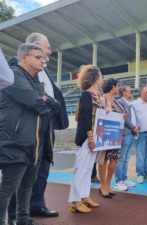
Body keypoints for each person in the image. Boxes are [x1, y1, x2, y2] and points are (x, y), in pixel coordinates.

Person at [8, 33, 68, 222]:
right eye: (46, 47)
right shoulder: (17, 66)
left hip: (46, 122)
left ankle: (36, 204)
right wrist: (46, 102)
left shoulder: (43, 69)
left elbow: (50, 98)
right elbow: (33, 98)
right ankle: (14, 214)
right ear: (32, 47)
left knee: (42, 166)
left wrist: (50, 104)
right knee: (19, 174)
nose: (49, 51)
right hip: (28, 124)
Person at [0, 43, 57, 225]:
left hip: (35, 144)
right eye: (38, 57)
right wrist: (45, 101)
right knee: (8, 188)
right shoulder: (14, 74)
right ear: (24, 57)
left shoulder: (34, 80)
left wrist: (45, 100)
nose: (43, 61)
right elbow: (35, 102)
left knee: (27, 186)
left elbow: (54, 105)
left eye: (44, 58)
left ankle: (23, 219)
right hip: (15, 142)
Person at [68, 65, 102, 213]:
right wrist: (90, 137)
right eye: (100, 76)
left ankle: (84, 196)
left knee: (88, 169)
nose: (102, 79)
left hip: (95, 137)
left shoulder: (97, 96)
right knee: (81, 169)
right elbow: (84, 118)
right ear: (95, 78)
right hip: (86, 138)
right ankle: (75, 201)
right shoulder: (86, 95)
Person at [97, 78, 127, 196]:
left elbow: (118, 115)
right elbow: (99, 114)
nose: (118, 88)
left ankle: (108, 185)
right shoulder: (102, 99)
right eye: (117, 86)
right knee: (103, 161)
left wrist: (122, 116)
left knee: (113, 160)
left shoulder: (116, 102)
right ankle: (102, 185)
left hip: (116, 135)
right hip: (105, 135)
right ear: (113, 87)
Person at [114, 86, 139, 191]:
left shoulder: (130, 104)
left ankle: (124, 178)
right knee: (121, 159)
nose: (132, 92)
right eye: (130, 91)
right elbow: (125, 118)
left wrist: (136, 127)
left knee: (126, 159)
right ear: (123, 92)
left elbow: (133, 117)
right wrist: (133, 127)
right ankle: (118, 181)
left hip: (131, 133)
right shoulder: (119, 102)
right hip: (125, 133)